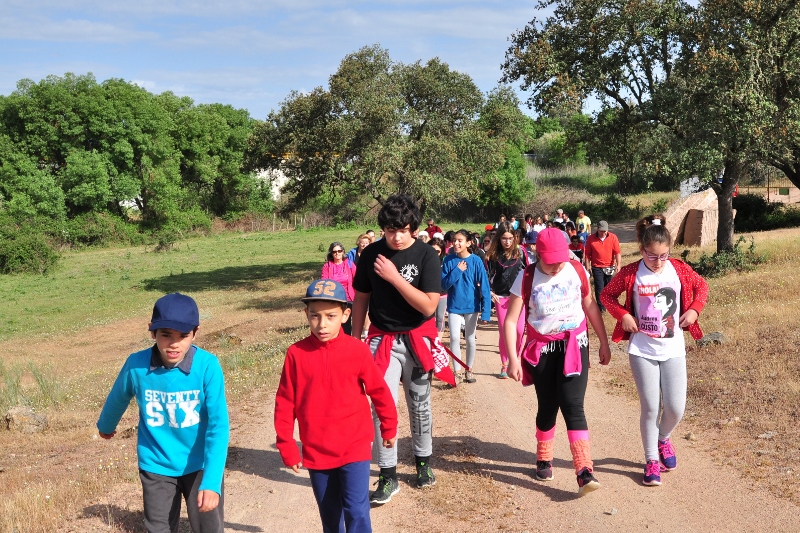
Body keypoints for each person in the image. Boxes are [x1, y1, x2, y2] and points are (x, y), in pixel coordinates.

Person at [351, 194, 452, 506]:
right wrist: (355, 340)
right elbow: (360, 299)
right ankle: (388, 473)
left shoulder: (427, 256)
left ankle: (423, 462)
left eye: (402, 230)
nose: (395, 236)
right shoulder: (371, 255)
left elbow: (429, 304)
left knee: (419, 406)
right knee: (382, 407)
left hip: (418, 339)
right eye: (389, 230)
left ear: (413, 228)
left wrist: (395, 278)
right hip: (382, 339)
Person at [97, 293, 229, 533]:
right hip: (156, 463)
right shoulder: (136, 365)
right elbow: (118, 397)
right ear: (152, 332)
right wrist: (106, 426)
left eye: (183, 336)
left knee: (208, 527)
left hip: (199, 464)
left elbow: (218, 426)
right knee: (158, 528)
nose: (174, 343)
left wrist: (211, 482)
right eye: (166, 335)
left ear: (195, 332)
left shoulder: (207, 366)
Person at [274, 279, 398, 532]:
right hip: (317, 449)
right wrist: (286, 444)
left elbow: (379, 390)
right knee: (330, 514)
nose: (322, 324)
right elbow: (285, 402)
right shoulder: (296, 354)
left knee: (356, 509)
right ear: (306, 315)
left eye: (330, 316)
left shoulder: (357, 350)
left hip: (354, 446)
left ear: (345, 315)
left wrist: (389, 425)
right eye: (315, 316)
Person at [600, 215, 709, 487]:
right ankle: (650, 461)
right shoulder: (631, 272)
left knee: (675, 407)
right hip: (643, 349)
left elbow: (701, 287)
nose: (658, 261)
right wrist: (623, 314)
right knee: (650, 408)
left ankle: (663, 439)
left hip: (673, 348)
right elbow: (606, 296)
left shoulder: (679, 269)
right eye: (652, 256)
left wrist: (695, 310)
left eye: (664, 255)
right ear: (641, 250)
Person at [502, 228, 611, 494]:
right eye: (550, 261)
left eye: (560, 260)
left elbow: (590, 305)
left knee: (573, 404)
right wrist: (513, 359)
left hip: (575, 344)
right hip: (542, 349)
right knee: (548, 406)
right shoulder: (527, 276)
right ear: (539, 254)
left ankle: (584, 471)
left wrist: (603, 341)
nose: (556, 266)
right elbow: (511, 320)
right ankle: (543, 456)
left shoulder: (575, 269)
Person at [441, 229, 491, 384]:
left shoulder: (476, 261)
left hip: (472, 305)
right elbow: (443, 285)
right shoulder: (448, 260)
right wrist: (457, 271)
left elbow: (484, 286)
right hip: (454, 305)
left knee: (470, 338)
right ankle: (457, 371)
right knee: (455, 337)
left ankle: (469, 369)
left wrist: (486, 311)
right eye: (454, 240)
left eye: (460, 240)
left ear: (469, 243)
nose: (456, 243)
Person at [485, 222, 529, 379]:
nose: (508, 242)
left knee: (519, 330)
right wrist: (489, 291)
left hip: (519, 297)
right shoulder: (492, 255)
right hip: (501, 296)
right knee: (505, 331)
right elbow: (486, 275)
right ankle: (505, 363)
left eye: (511, 238)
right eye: (504, 238)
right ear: (499, 238)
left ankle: (516, 359)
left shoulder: (521, 252)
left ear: (515, 238)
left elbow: (528, 272)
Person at [583, 220, 621, 312]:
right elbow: (587, 254)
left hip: (610, 266)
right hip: (597, 266)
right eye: (601, 231)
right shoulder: (591, 238)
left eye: (605, 231)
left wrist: (618, 264)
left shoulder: (613, 237)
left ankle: (610, 305)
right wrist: (587, 267)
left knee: (609, 287)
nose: (603, 233)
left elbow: (617, 252)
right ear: (597, 229)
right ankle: (601, 308)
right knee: (599, 287)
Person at [322, 242, 357, 336]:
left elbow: (357, 279)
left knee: (346, 324)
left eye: (339, 251)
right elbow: (324, 282)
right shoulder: (327, 266)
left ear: (343, 252)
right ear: (331, 253)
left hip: (349, 299)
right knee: (335, 323)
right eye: (334, 252)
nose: (337, 253)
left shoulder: (349, 264)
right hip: (334, 299)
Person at [429, 238, 448, 333]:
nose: (435, 253)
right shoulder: (424, 261)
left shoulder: (445, 262)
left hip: (442, 294)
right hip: (427, 294)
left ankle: (438, 343)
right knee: (429, 318)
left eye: (438, 251)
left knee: (440, 318)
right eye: (432, 250)